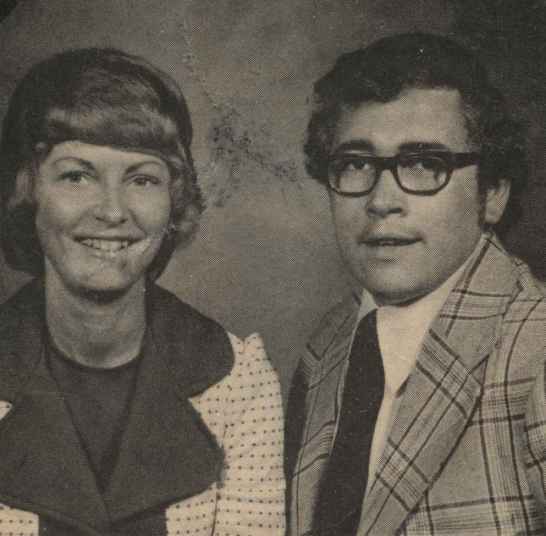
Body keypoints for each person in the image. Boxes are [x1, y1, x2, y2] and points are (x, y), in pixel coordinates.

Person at [0, 48, 285, 535]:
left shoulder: (239, 384)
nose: (112, 211)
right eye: (76, 175)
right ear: (28, 192)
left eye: (142, 179)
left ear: (174, 200)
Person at [286, 32, 545, 535]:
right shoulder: (327, 348)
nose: (382, 201)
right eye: (355, 164)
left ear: (493, 193)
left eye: (426, 164)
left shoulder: (536, 350)